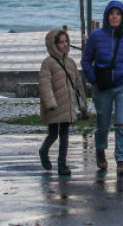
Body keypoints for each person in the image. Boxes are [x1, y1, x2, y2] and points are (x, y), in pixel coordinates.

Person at [81, 1, 123, 177]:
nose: (115, 16)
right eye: (112, 13)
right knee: (103, 124)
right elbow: (86, 60)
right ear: (107, 16)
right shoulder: (96, 36)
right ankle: (100, 150)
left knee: (122, 123)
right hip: (102, 86)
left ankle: (121, 160)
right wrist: (93, 79)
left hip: (122, 85)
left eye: (118, 13)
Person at [38, 29, 87, 176]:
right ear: (53, 45)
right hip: (54, 106)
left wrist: (82, 103)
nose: (65, 45)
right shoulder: (48, 63)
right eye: (61, 42)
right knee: (53, 134)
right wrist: (50, 103)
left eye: (66, 41)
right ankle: (43, 151)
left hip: (68, 105)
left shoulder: (70, 62)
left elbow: (78, 84)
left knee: (65, 135)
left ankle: (62, 164)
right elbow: (45, 84)